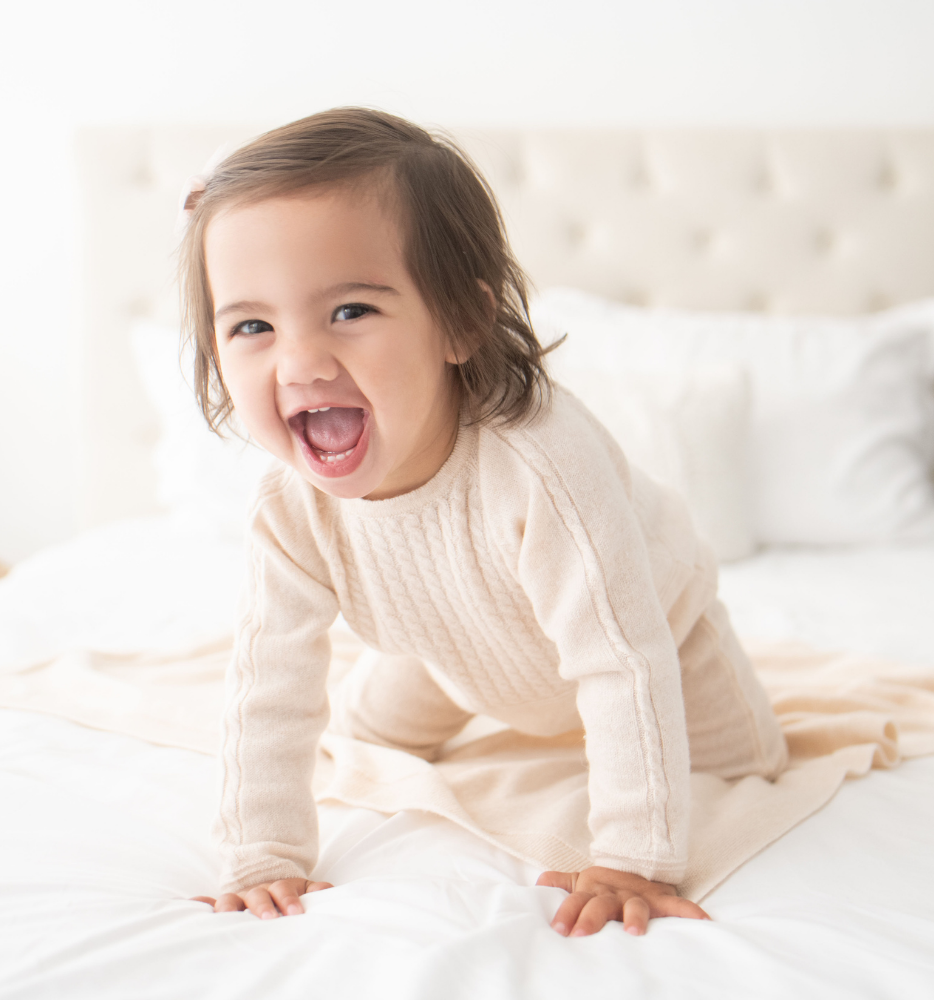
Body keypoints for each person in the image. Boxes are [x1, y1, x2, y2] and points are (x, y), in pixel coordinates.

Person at [181, 108, 787, 938]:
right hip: (446, 651)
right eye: (253, 325)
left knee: (750, 771)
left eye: (351, 310)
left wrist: (632, 860)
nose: (301, 362)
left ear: (462, 323)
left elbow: (622, 661)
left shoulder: (541, 465)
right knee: (361, 745)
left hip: (661, 634)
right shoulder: (290, 509)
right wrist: (263, 853)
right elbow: (269, 687)